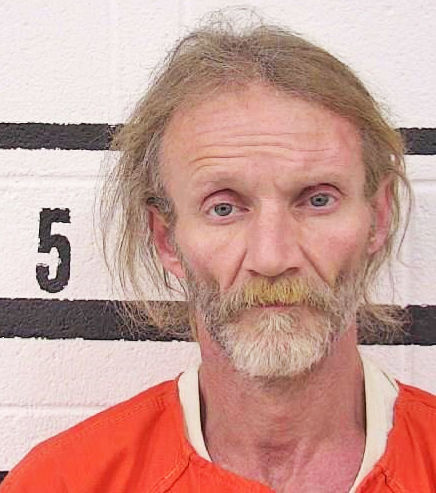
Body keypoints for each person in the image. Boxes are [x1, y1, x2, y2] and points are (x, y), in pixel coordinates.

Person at [1, 16, 435, 493]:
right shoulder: (63, 483)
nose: (271, 258)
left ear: (378, 216)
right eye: (223, 208)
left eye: (317, 200)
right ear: (166, 239)